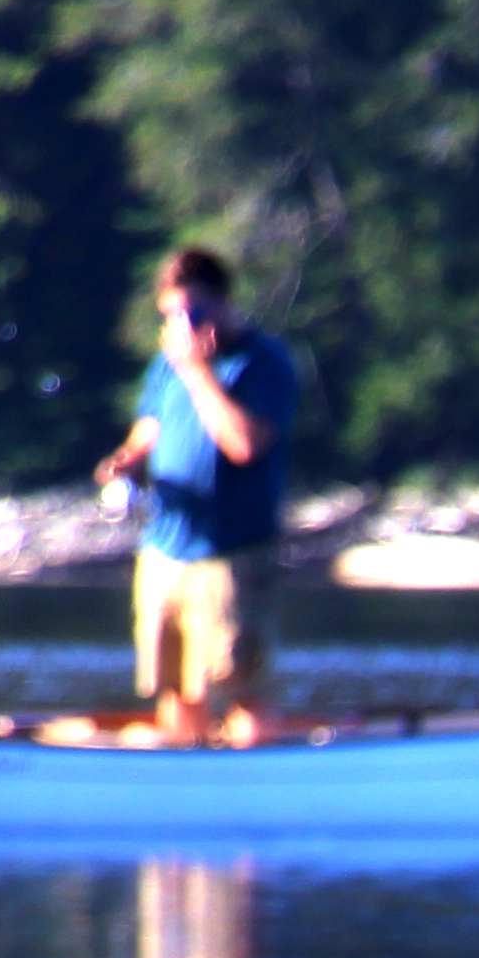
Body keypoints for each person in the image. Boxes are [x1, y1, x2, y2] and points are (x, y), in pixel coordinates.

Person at [92, 246, 301, 747]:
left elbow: (244, 443)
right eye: (173, 315)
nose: (184, 325)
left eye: (195, 312)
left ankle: (259, 785)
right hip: (165, 551)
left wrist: (196, 370)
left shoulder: (261, 363)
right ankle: (184, 780)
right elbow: (149, 430)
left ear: (224, 303)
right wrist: (125, 462)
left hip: (230, 555)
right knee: (175, 690)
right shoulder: (166, 365)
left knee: (240, 685)